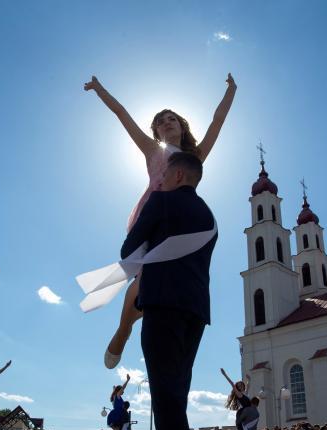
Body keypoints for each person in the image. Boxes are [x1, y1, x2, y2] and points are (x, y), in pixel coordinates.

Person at [83, 73, 236, 370]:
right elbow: (122, 114)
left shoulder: (195, 156)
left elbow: (217, 122)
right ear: (156, 131)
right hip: (153, 215)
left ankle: (132, 324)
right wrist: (100, 89)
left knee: (161, 280)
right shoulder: (152, 150)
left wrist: (231, 89)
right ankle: (124, 329)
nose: (167, 123)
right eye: (161, 121)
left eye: (172, 119)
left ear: (182, 126)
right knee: (144, 277)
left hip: (181, 221)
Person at [117, 152, 217, 430]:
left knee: (165, 394)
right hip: (195, 311)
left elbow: (129, 250)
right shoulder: (208, 215)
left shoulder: (160, 201)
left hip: (162, 305)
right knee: (176, 392)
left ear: (175, 175)